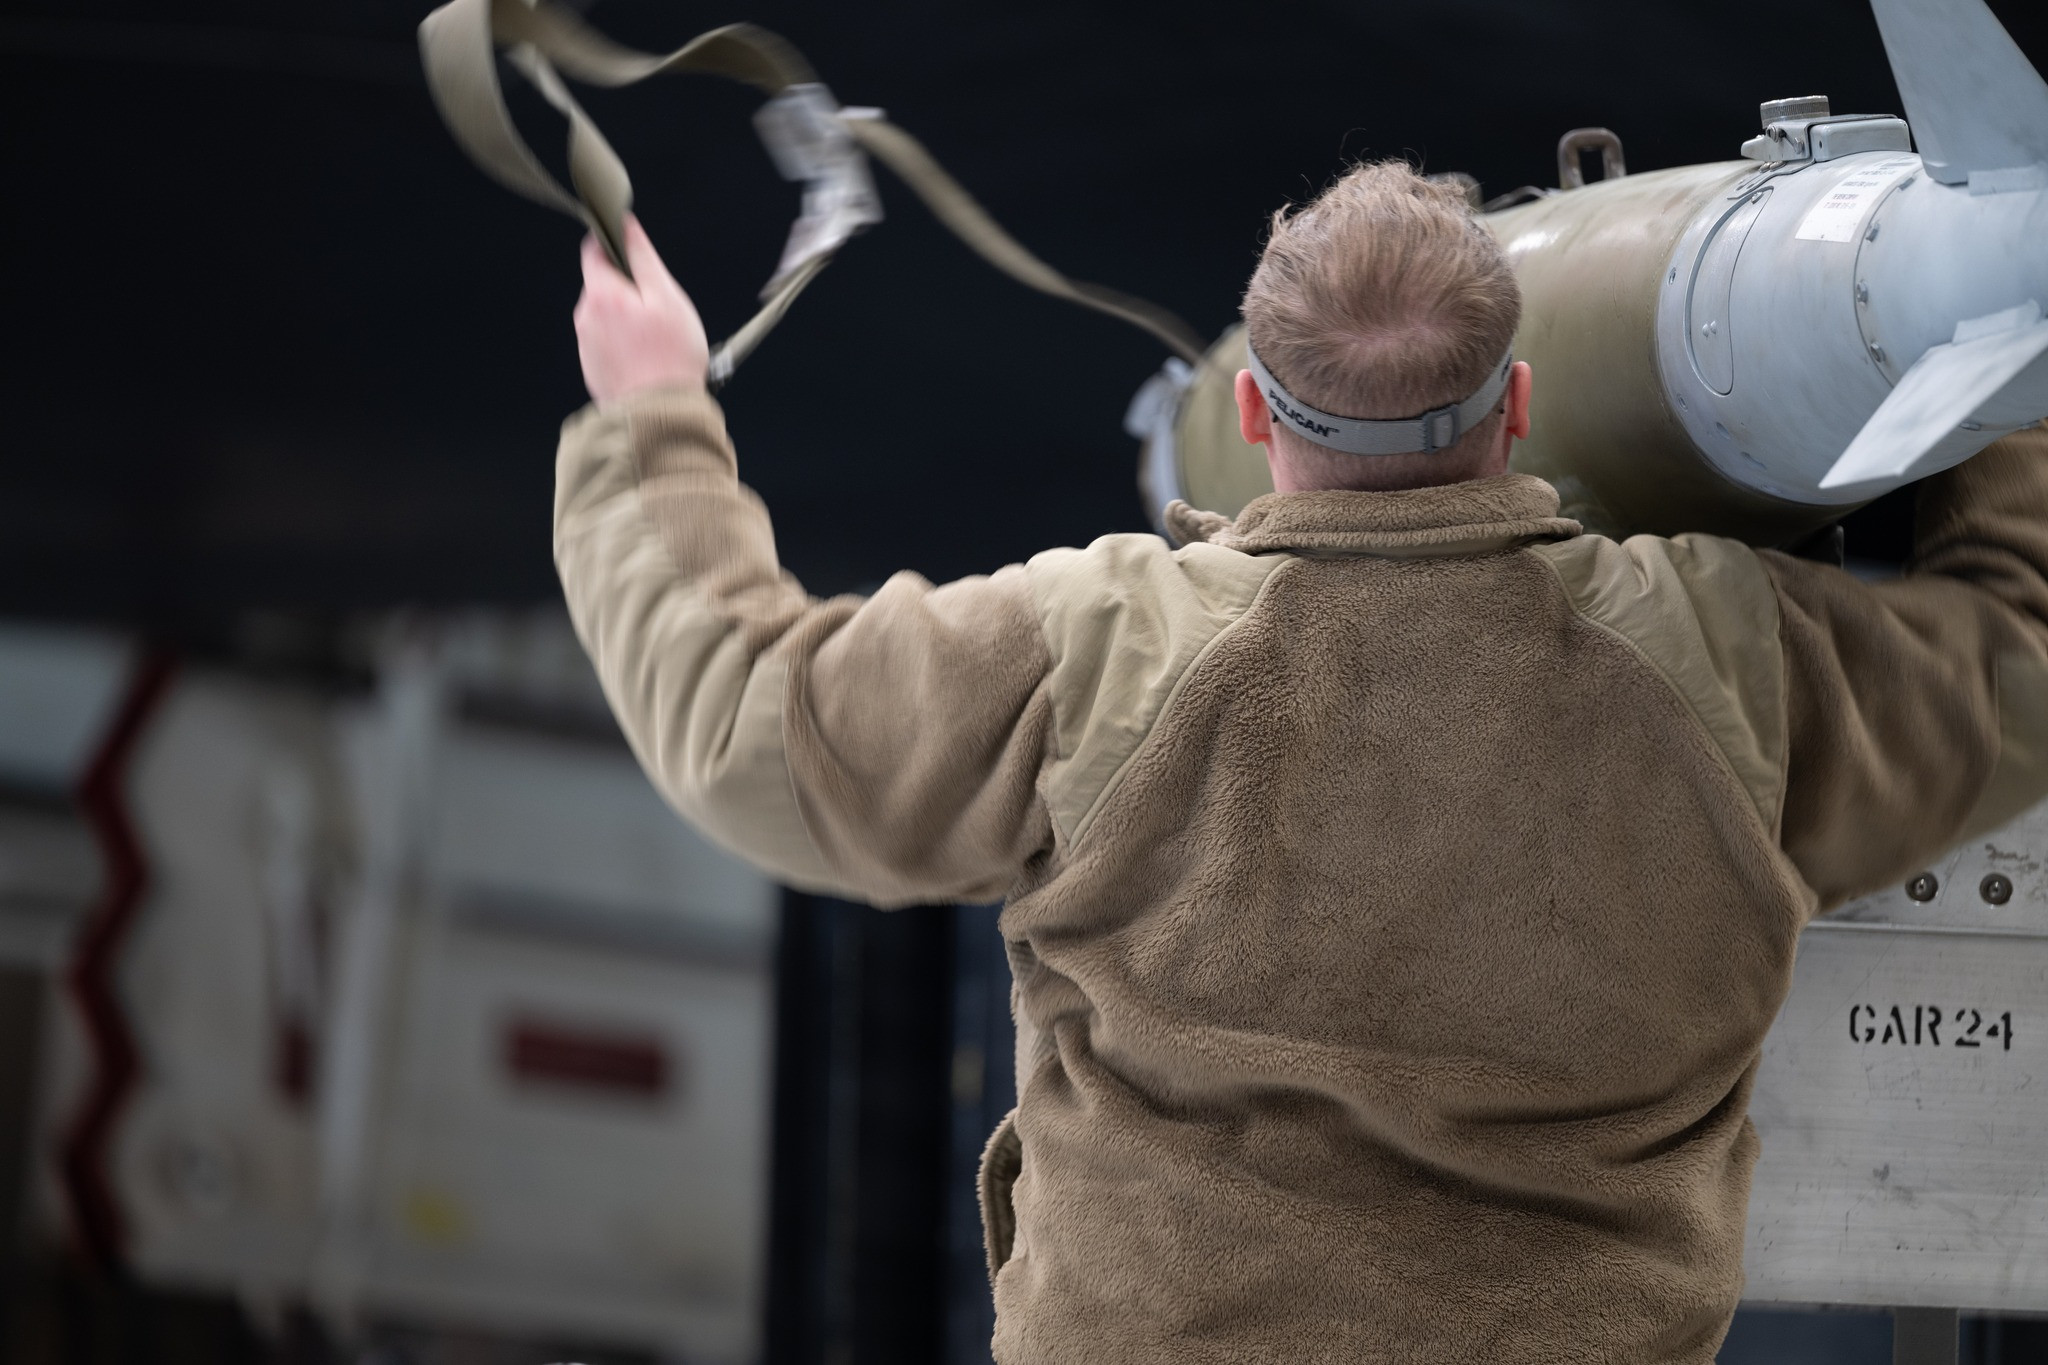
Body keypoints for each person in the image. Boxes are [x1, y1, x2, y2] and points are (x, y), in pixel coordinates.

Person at [554, 161, 2048, 1363]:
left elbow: (744, 717)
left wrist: (652, 418)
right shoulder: (1724, 664)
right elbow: (2020, 670)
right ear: (1518, 405)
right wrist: (1989, 389)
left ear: (1254, 412)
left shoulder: (1102, 655)